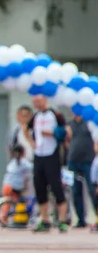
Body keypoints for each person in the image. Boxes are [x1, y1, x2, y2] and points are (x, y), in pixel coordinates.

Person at [24, 95, 71, 232]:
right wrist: (31, 143)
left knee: (56, 187)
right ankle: (45, 220)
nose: (37, 104)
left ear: (45, 100)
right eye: (34, 102)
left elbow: (68, 132)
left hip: (52, 155)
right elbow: (25, 128)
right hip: (39, 155)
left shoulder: (55, 115)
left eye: (39, 101)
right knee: (40, 187)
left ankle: (62, 221)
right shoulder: (36, 116)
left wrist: (52, 133)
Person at [66, 114, 98, 228]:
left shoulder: (89, 123)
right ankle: (80, 220)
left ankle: (97, 217)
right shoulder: (70, 124)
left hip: (88, 160)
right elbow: (66, 140)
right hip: (73, 161)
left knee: (92, 190)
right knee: (75, 191)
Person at [0, 144, 33, 223]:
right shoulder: (23, 162)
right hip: (13, 187)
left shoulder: (12, 162)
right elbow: (32, 167)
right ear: (23, 152)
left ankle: (5, 218)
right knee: (16, 203)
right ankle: (11, 218)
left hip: (6, 185)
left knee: (8, 204)